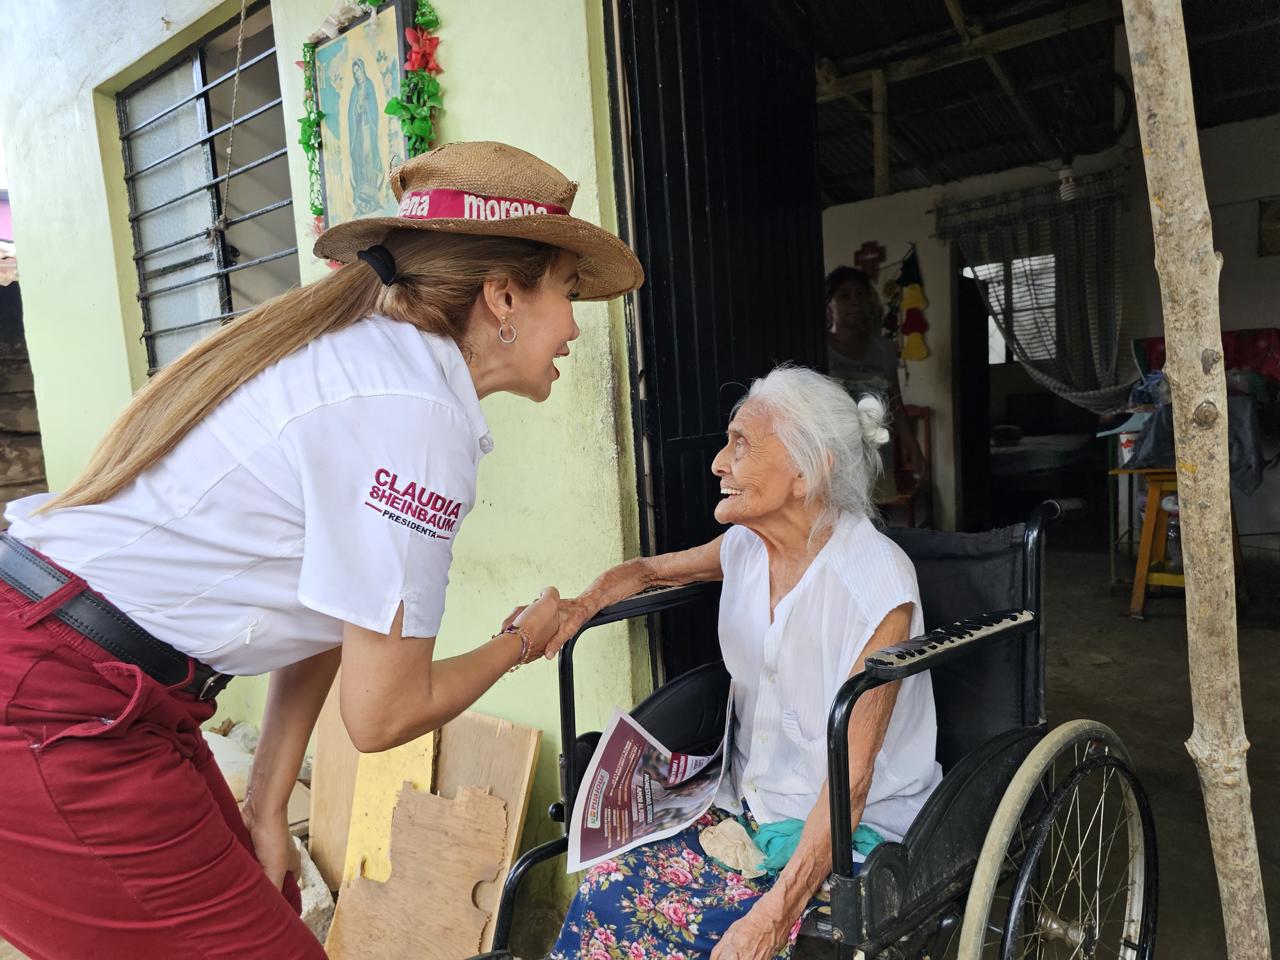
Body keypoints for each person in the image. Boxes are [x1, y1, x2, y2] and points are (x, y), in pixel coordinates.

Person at [0, 141, 643, 960]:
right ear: (504, 294)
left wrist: (267, 804)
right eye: (569, 291)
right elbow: (384, 718)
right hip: (54, 707)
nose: (577, 327)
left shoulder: (374, 367)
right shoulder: (413, 413)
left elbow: (337, 613)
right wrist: (522, 641)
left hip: (96, 681)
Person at [544, 366, 942, 960]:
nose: (717, 464)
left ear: (808, 469)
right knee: (606, 891)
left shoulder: (875, 587)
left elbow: (852, 783)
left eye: (742, 444)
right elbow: (649, 571)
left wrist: (772, 917)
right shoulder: (747, 548)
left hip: (851, 833)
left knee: (716, 939)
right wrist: (580, 605)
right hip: (746, 806)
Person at [826, 266, 925, 485]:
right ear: (829, 305)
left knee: (874, 516)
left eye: (860, 294)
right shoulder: (819, 349)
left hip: (876, 456)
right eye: (844, 296)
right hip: (832, 460)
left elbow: (895, 402)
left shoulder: (884, 349)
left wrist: (914, 449)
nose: (855, 301)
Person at [347, 57, 384, 214]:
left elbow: (374, 109)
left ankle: (372, 189)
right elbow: (351, 114)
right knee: (360, 157)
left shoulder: (368, 85)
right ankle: (362, 188)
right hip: (358, 131)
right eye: (354, 72)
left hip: (368, 127)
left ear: (363, 70)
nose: (357, 74)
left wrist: (365, 106)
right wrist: (357, 109)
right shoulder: (354, 91)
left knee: (369, 156)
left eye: (358, 70)